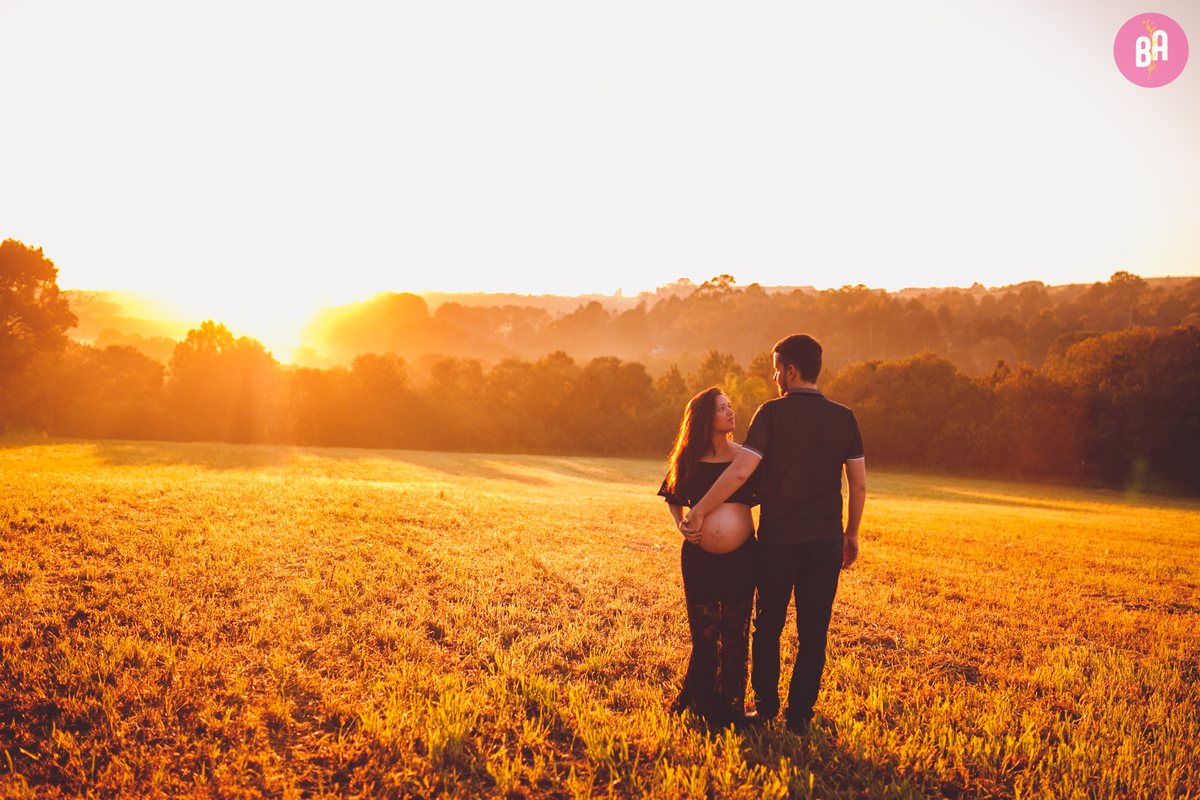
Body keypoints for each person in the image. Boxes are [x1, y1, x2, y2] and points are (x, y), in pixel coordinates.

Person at [682, 334, 865, 735]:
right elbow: (859, 484)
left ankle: (765, 707)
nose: (774, 374)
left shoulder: (770, 414)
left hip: (779, 543)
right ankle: (800, 714)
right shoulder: (844, 417)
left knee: (768, 626)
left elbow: (741, 470)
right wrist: (851, 534)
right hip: (825, 542)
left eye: (776, 367)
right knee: (814, 631)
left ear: (791, 370)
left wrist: (698, 509)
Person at [658, 387, 761, 728]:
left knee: (735, 633)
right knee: (704, 633)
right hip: (698, 558)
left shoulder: (745, 457)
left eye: (730, 406)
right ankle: (704, 700)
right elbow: (672, 494)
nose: (730, 412)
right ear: (706, 416)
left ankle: (732, 706)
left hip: (742, 557)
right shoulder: (688, 457)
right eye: (722, 408)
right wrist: (680, 526)